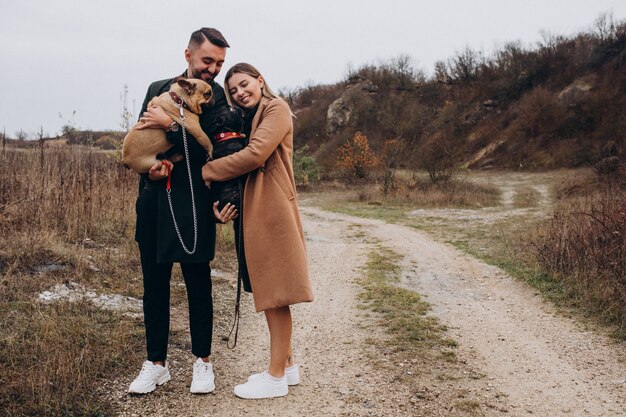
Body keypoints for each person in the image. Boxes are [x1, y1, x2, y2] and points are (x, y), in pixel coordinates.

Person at [128, 27, 237, 395]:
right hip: (155, 198)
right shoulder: (157, 86)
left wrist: (172, 126)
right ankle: (155, 363)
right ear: (187, 55)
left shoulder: (216, 97)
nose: (213, 70)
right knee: (153, 285)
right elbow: (141, 137)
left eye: (219, 64)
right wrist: (147, 168)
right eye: (208, 60)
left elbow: (218, 151)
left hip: (193, 201)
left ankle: (202, 362)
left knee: (198, 283)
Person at [202, 63, 314, 399]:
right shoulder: (251, 116)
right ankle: (288, 366)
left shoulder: (276, 108)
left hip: (273, 209)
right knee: (270, 293)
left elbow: (254, 155)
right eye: (233, 90)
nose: (239, 93)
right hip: (257, 210)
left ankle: (275, 377)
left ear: (260, 81)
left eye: (244, 84)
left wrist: (209, 170)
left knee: (276, 296)